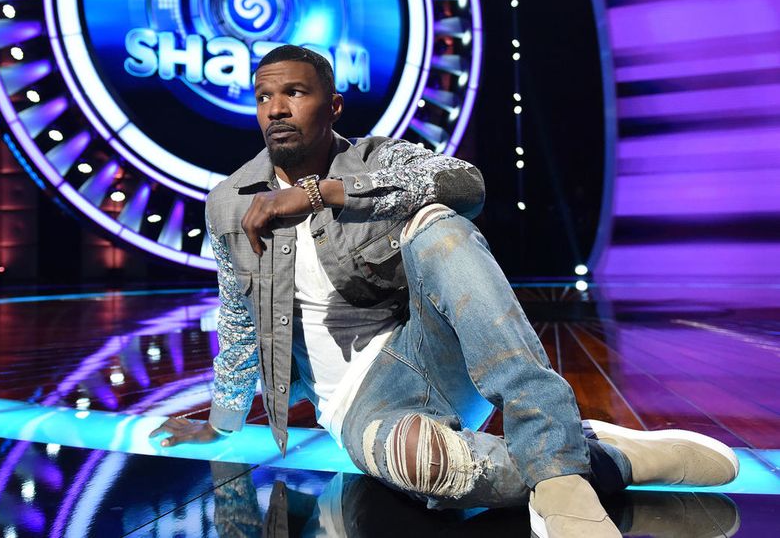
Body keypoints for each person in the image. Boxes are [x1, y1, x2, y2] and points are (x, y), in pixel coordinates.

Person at [151, 45, 739, 537]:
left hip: (432, 352)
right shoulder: (228, 204)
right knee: (426, 467)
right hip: (358, 406)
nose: (276, 109)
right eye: (263, 97)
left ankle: (558, 468)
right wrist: (221, 423)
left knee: (438, 222)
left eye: (294, 93)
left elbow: (465, 181)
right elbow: (238, 319)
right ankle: (600, 455)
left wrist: (320, 193)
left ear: (332, 105)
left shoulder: (379, 157)